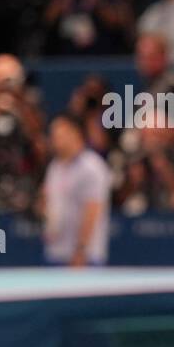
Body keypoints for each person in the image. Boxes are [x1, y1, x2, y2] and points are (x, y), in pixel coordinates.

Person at [39, 114, 112, 267]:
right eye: (53, 135)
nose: (54, 139)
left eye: (60, 134)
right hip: (56, 253)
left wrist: (81, 250)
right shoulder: (55, 166)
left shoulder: (92, 167)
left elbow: (93, 209)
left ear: (75, 133)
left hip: (84, 258)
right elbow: (49, 200)